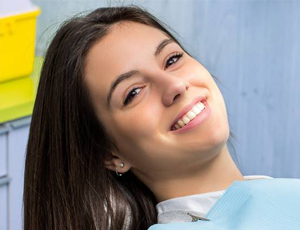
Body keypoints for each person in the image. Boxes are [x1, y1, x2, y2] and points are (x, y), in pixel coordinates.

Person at [23, 5, 300, 230]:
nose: (175, 86)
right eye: (133, 93)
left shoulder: (273, 198)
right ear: (109, 154)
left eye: (172, 59)